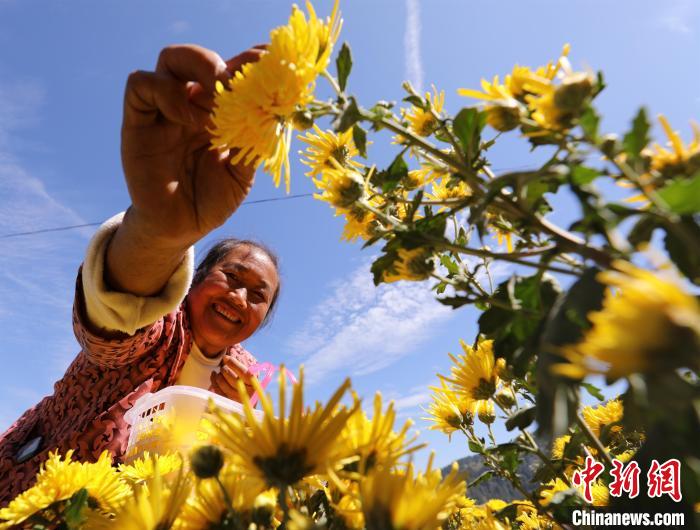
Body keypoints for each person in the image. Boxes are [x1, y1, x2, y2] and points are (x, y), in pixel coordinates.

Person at [0, 44, 279, 504]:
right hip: (35, 500)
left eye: (258, 294)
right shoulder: (161, 325)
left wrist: (246, 424)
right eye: (232, 276)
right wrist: (158, 234)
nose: (240, 297)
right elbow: (116, 319)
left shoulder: (246, 379)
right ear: (192, 282)